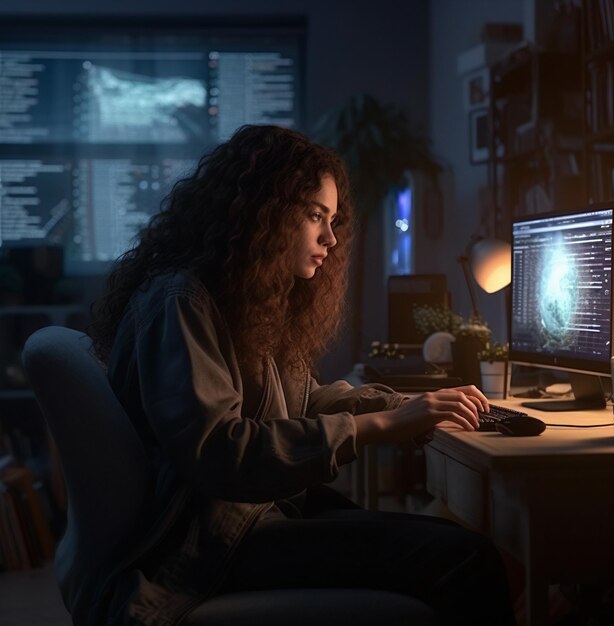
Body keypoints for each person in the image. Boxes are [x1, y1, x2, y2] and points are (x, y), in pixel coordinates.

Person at [88, 124, 516, 625]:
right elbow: (220, 451)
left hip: (253, 515)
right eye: (316, 216)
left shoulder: (242, 298)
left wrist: (404, 408)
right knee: (468, 558)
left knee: (452, 542)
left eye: (332, 220)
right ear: (260, 212)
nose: (330, 239)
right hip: (212, 542)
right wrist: (376, 426)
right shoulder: (181, 301)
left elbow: (303, 399)